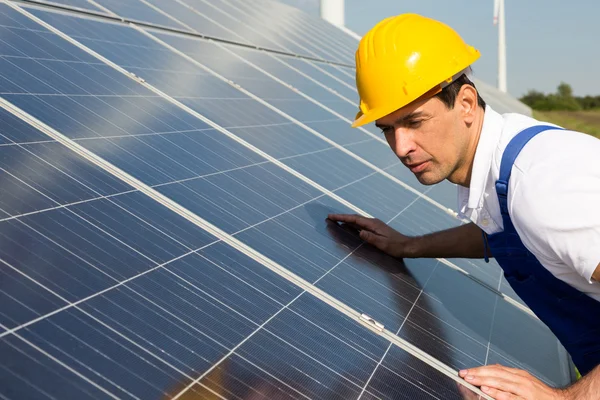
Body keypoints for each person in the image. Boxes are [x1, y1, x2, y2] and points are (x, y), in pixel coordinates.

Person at [328, 13, 600, 400]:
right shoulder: (507, 163)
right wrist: (410, 246)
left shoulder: (539, 188)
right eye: (387, 128)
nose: (401, 146)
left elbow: (535, 217)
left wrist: (566, 398)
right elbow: (508, 232)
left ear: (467, 103)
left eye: (414, 121)